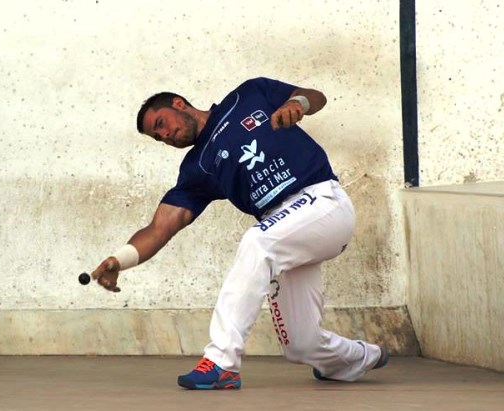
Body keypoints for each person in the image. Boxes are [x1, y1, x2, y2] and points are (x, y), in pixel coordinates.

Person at [89, 77, 388, 390]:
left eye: (161, 123)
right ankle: (361, 357)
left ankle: (222, 363)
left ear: (179, 103)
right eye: (158, 137)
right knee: (301, 345)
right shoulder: (197, 168)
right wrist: (119, 260)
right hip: (286, 229)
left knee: (256, 242)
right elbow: (160, 227)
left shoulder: (248, 95)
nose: (165, 135)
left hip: (323, 202)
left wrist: (295, 104)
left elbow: (316, 95)